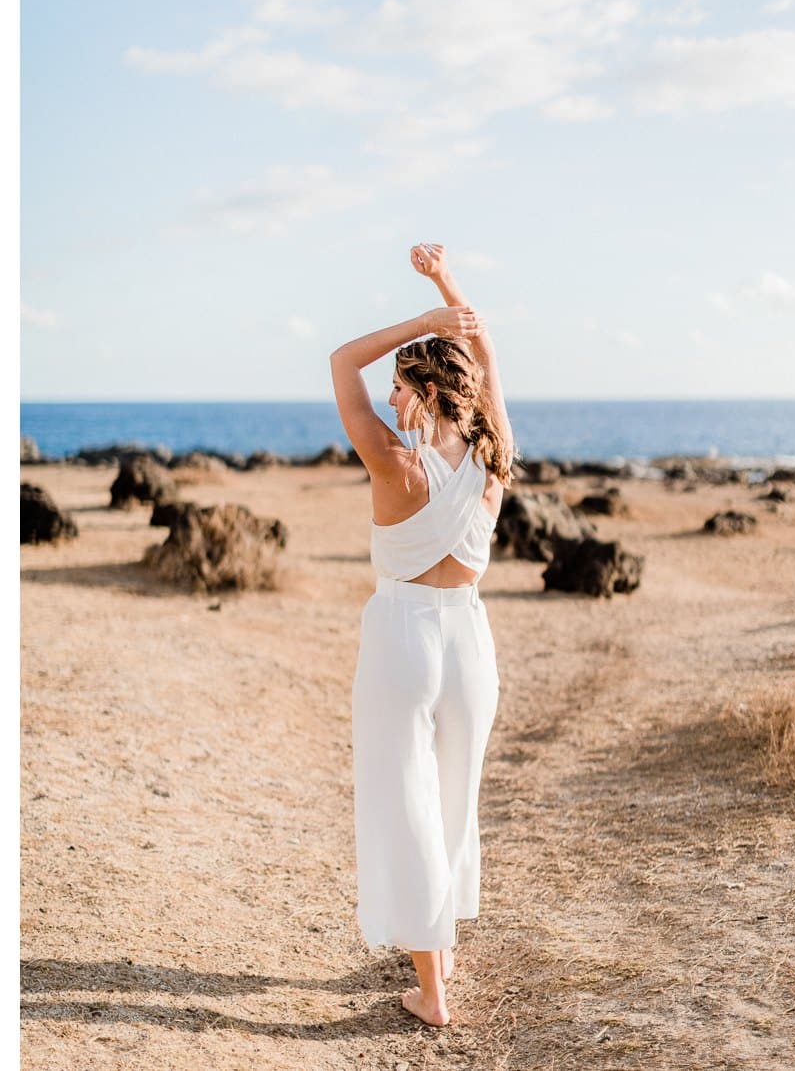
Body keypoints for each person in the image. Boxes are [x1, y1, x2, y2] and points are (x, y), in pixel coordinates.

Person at [327, 242, 514, 1027]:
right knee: (450, 804)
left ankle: (432, 994)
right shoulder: (493, 455)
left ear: (424, 388)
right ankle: (440, 966)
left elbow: (342, 361)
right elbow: (488, 357)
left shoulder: (393, 465)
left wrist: (424, 317)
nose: (390, 393)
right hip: (469, 643)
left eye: (401, 383)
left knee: (409, 809)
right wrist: (446, 288)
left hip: (404, 638)